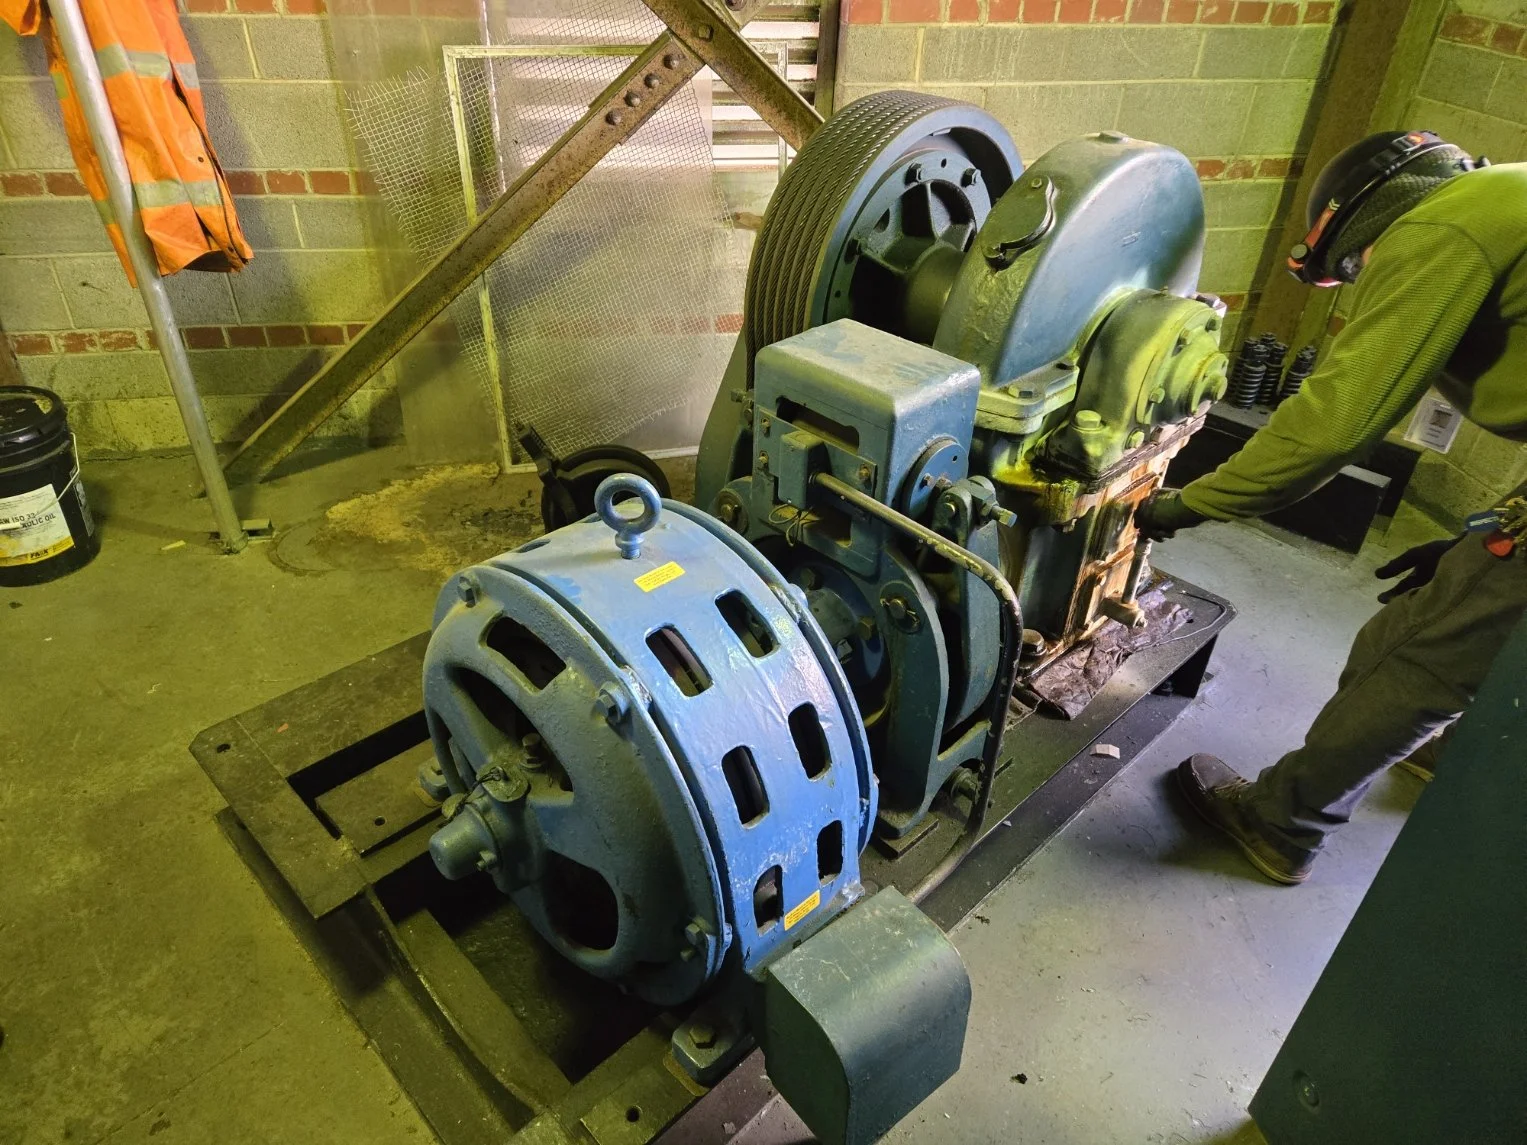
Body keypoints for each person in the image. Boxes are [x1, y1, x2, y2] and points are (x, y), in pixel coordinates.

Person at [1135, 130, 1527, 885]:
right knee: (1455, 605)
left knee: (1410, 652)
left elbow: (1330, 428)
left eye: (1351, 269)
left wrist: (1177, 508)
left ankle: (1279, 823)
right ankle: (1435, 743)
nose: (1363, 282)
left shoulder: (1434, 230)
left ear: (1361, 228)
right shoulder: (1497, 195)